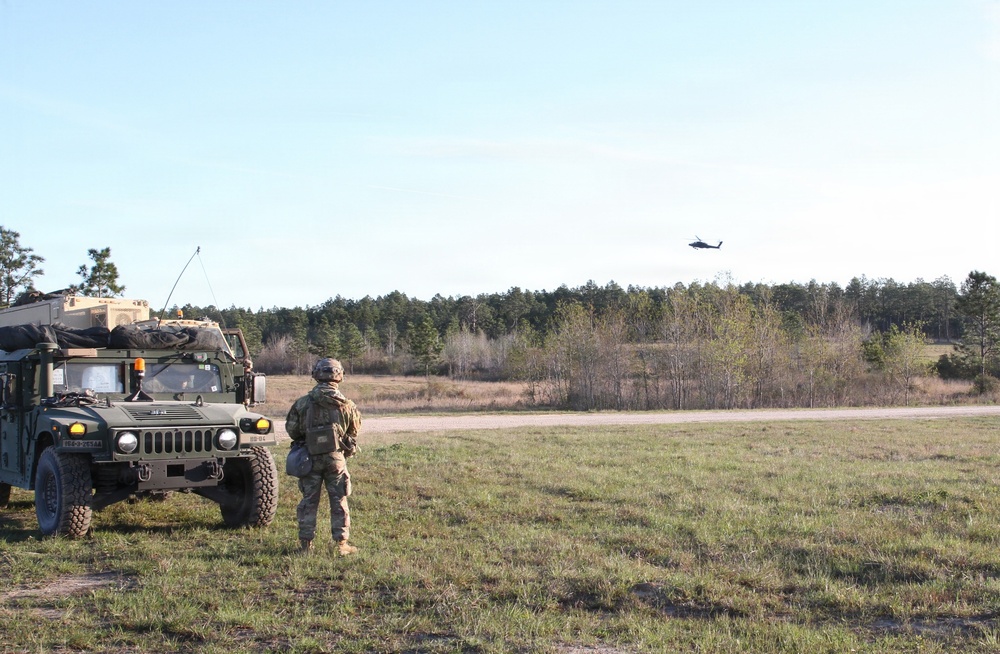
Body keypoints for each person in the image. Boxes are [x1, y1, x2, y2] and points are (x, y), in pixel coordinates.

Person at [285, 357, 362, 555]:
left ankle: (305, 546)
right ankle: (341, 545)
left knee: (309, 501)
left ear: (316, 375)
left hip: (309, 458)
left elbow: (292, 431)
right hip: (335, 459)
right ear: (339, 376)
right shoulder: (348, 405)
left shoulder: (302, 403)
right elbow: (354, 432)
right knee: (339, 501)